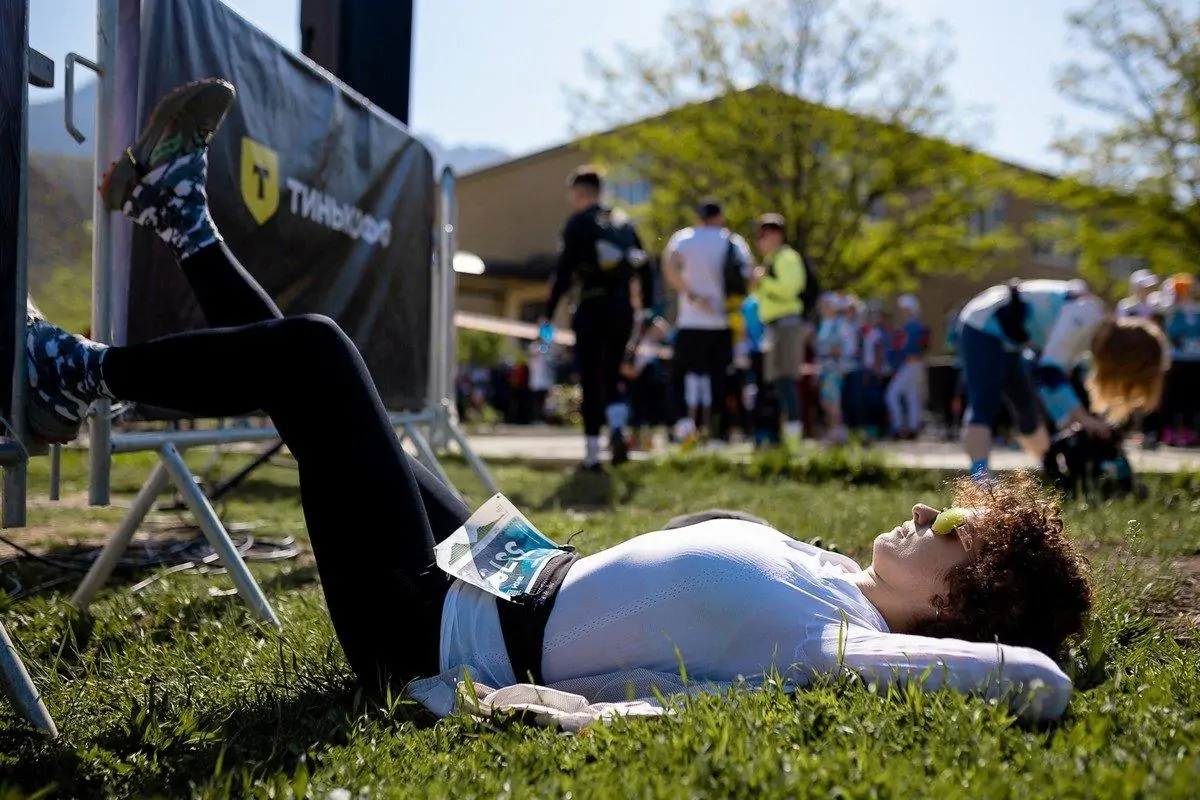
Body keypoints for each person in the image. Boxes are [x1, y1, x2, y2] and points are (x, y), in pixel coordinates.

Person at [30, 79, 1090, 725]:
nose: (925, 509)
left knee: (317, 357)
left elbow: (1039, 680)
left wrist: (1031, 620)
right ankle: (180, 215)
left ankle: (70, 373)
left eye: (951, 530)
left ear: (965, 602)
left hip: (433, 629)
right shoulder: (837, 578)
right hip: (508, 562)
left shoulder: (846, 642)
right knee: (325, 401)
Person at [955, 278, 1169, 481]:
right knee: (984, 403)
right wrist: (1083, 419)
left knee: (1026, 411)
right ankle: (980, 479)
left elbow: (1052, 384)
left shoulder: (1093, 331)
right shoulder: (1085, 316)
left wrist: (1072, 420)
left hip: (1010, 340)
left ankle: (1050, 473)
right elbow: (1049, 373)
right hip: (982, 322)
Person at [539, 166, 649, 470]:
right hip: (623, 310)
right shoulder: (622, 223)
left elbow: (564, 272)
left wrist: (548, 313)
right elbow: (645, 266)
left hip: (592, 307)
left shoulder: (579, 224)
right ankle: (618, 428)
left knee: (591, 378)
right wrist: (647, 309)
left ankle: (591, 455)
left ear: (578, 193)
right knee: (613, 375)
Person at [662, 199, 753, 446]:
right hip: (722, 321)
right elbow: (748, 277)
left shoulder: (684, 238)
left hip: (690, 320)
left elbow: (669, 268)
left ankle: (683, 426)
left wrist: (691, 294)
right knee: (720, 380)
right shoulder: (732, 241)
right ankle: (718, 433)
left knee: (679, 376)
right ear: (720, 216)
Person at [751, 214, 807, 443]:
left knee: (785, 379)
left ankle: (793, 439)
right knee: (776, 382)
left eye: (762, 235)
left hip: (786, 324)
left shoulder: (786, 258)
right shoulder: (770, 260)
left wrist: (763, 280)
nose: (758, 241)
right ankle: (781, 436)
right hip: (774, 325)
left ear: (775, 235)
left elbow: (788, 289)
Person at [886, 294, 930, 440]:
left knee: (892, 394)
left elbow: (909, 348)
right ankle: (912, 427)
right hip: (912, 365)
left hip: (910, 364)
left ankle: (899, 427)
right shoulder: (913, 326)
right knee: (912, 397)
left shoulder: (912, 327)